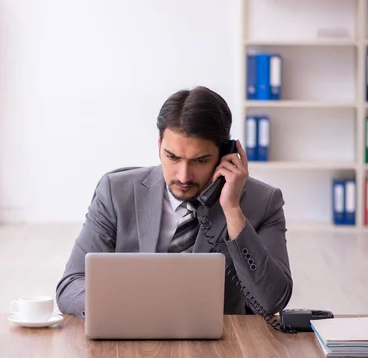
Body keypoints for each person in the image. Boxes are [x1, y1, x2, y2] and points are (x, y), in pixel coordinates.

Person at [55, 86, 293, 319]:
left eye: (199, 160)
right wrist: (131, 309)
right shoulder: (116, 192)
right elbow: (71, 285)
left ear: (225, 155)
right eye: (172, 157)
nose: (183, 176)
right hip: (131, 342)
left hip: (220, 348)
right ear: (159, 144)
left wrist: (232, 211)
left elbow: (271, 301)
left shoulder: (264, 202)